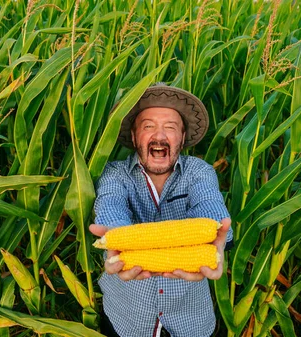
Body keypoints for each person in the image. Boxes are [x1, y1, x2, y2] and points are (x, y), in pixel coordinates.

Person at [89, 83, 233, 337]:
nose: (159, 135)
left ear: (182, 138)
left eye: (170, 127)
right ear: (134, 137)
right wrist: (116, 237)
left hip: (191, 321)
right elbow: (110, 206)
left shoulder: (198, 172)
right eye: (148, 126)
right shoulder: (115, 174)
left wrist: (217, 239)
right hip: (127, 320)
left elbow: (210, 208)